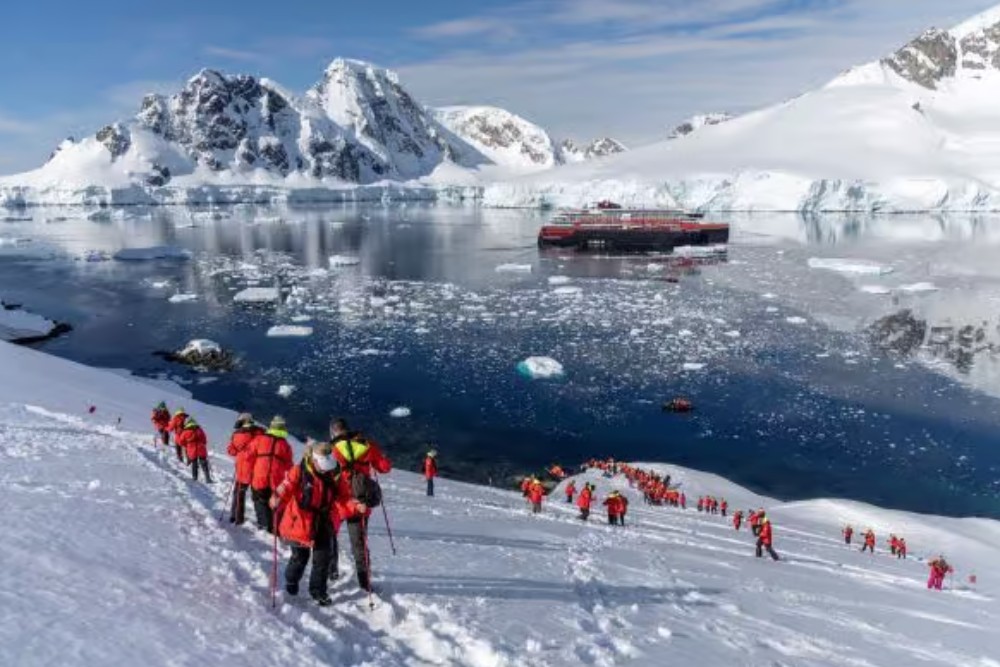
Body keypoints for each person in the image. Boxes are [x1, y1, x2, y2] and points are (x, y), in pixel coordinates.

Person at [271, 442, 360, 606]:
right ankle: (291, 581)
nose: (326, 469)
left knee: (323, 558)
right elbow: (287, 485)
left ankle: (318, 591)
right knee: (300, 557)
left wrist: (355, 505)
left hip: (324, 521)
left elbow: (344, 496)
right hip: (300, 521)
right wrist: (277, 497)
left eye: (328, 465)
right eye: (323, 465)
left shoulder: (334, 473)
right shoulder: (299, 470)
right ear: (314, 460)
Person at [329, 418, 392, 592]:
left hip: (339, 502)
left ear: (334, 432)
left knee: (330, 535)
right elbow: (385, 468)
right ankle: (365, 582)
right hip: (361, 501)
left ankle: (331, 570)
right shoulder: (367, 445)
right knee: (359, 543)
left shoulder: (333, 449)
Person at [247, 415, 294, 534]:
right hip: (276, 479)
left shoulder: (259, 439)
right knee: (275, 502)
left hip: (259, 476)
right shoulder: (285, 445)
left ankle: (263, 524)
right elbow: (289, 465)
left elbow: (249, 456)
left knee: (259, 499)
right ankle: (274, 527)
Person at [226, 413, 262, 524]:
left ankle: (237, 517)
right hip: (259, 468)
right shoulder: (261, 432)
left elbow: (231, 451)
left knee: (239, 494)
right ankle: (264, 523)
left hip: (244, 468)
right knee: (259, 498)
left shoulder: (237, 434)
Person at [176, 416, 212, 482]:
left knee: (194, 463)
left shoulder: (185, 431)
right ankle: (208, 478)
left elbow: (181, 442)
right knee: (204, 463)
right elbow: (204, 439)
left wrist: (186, 445)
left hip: (191, 448)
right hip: (201, 447)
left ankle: (195, 478)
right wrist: (202, 444)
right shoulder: (199, 429)